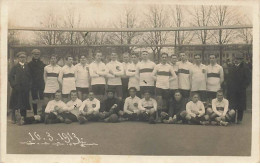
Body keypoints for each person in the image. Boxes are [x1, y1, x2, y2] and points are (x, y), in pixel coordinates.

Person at [226, 54, 251, 123]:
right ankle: (232, 119)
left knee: (240, 105)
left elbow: (248, 79)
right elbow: (229, 78)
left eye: (238, 59)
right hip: (232, 89)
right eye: (235, 59)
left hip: (240, 90)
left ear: (241, 60)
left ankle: (239, 119)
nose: (236, 60)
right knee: (232, 104)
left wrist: (243, 87)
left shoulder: (245, 68)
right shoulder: (232, 67)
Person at [152, 52, 177, 120]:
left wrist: (168, 80)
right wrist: (158, 79)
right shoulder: (157, 66)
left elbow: (174, 76)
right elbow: (152, 75)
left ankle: (165, 117)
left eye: (165, 57)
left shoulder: (169, 66)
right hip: (158, 87)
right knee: (159, 102)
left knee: (166, 102)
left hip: (166, 87)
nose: (164, 58)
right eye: (163, 57)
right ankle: (159, 117)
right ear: (161, 58)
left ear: (167, 58)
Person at [9, 52, 32, 124]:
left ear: (26, 58)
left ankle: (23, 118)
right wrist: (14, 85)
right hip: (17, 88)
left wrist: (29, 85)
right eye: (21, 57)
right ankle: (13, 118)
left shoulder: (28, 67)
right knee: (15, 103)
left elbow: (31, 77)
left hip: (25, 89)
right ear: (18, 58)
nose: (22, 59)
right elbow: (10, 77)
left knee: (24, 103)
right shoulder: (15, 67)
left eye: (24, 57)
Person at [28, 49, 45, 115]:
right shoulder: (29, 64)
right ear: (32, 54)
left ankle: (42, 113)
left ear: (39, 55)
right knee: (34, 98)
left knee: (42, 98)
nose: (36, 55)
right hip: (33, 84)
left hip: (41, 83)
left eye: (38, 54)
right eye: (35, 54)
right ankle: (35, 114)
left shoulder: (42, 64)